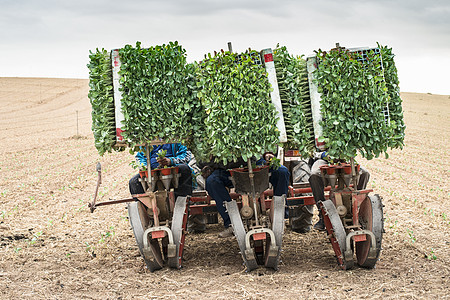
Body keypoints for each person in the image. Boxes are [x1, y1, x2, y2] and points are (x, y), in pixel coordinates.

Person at [203, 152, 290, 238]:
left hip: (256, 163)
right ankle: (231, 223)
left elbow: (270, 144)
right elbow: (203, 157)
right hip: (227, 169)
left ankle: (280, 218)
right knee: (212, 182)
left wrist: (268, 153)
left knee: (282, 172)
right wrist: (209, 165)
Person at [308, 151, 370, 231]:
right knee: (314, 175)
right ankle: (323, 215)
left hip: (345, 159)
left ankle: (356, 209)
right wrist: (324, 155)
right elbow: (312, 152)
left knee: (365, 173)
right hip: (323, 160)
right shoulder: (317, 139)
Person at [129, 143, 193, 198]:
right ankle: (147, 208)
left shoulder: (176, 136)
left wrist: (170, 161)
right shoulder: (148, 139)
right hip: (151, 172)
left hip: (173, 170)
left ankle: (183, 202)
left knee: (184, 169)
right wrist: (144, 166)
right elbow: (140, 157)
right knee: (133, 182)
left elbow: (186, 156)